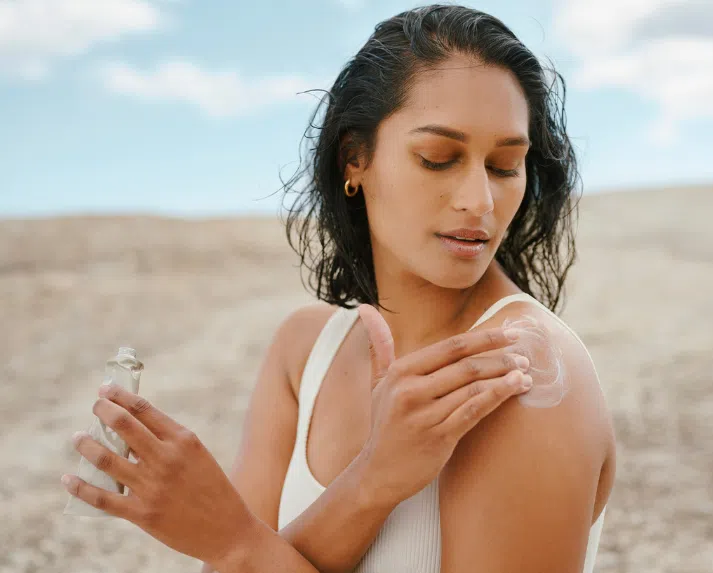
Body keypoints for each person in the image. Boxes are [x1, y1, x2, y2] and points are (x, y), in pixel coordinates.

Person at [62, 5, 615, 573]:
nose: (479, 200)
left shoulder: (514, 377)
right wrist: (372, 480)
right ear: (356, 159)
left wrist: (232, 541)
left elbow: (240, 557)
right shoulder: (305, 352)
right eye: (438, 159)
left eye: (504, 166)